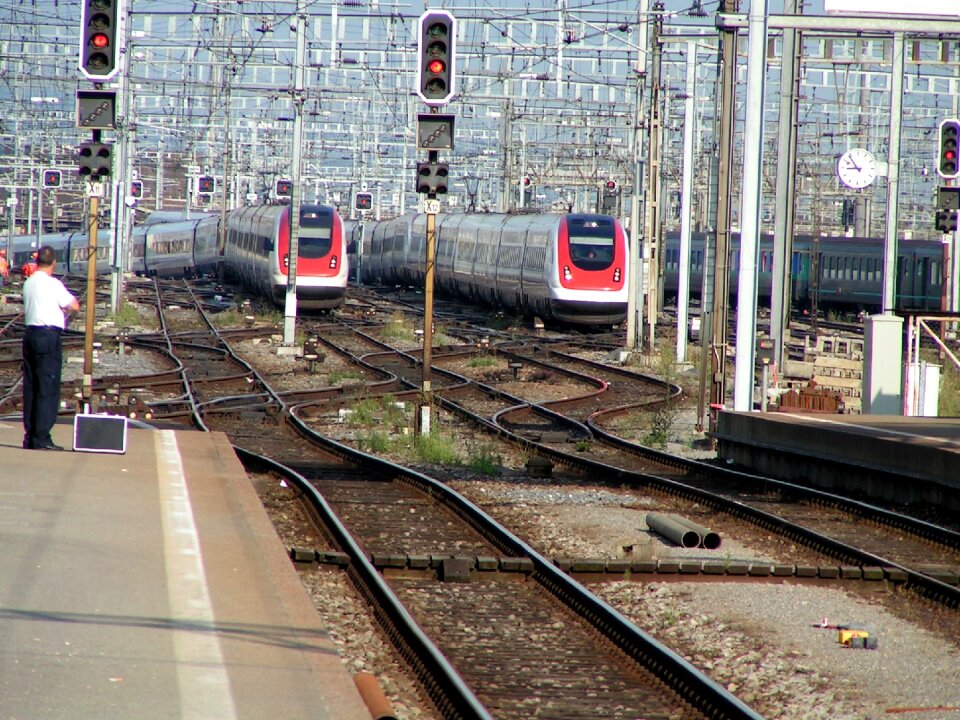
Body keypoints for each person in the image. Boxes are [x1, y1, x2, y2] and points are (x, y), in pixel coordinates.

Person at [21, 245, 80, 451]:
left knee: (32, 386)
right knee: (47, 387)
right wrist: (64, 311)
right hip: (48, 336)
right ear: (53, 262)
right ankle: (42, 438)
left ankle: (30, 436)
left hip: (30, 335)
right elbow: (74, 305)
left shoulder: (29, 283)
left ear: (37, 262)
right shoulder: (53, 284)